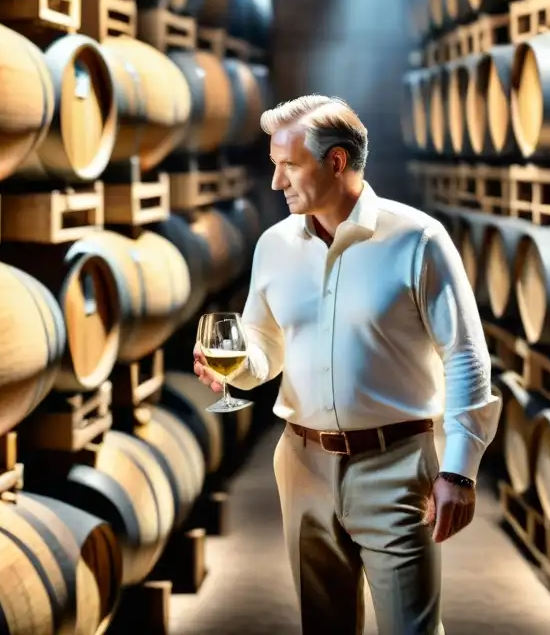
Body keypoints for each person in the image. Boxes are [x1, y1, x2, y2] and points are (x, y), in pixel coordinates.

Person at [193, 94, 500, 635]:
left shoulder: (418, 239)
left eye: (288, 165)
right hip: (302, 466)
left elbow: (466, 355)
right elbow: (264, 351)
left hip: (398, 468)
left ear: (336, 161)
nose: (275, 182)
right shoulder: (274, 246)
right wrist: (232, 371)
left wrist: (459, 469)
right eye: (274, 166)